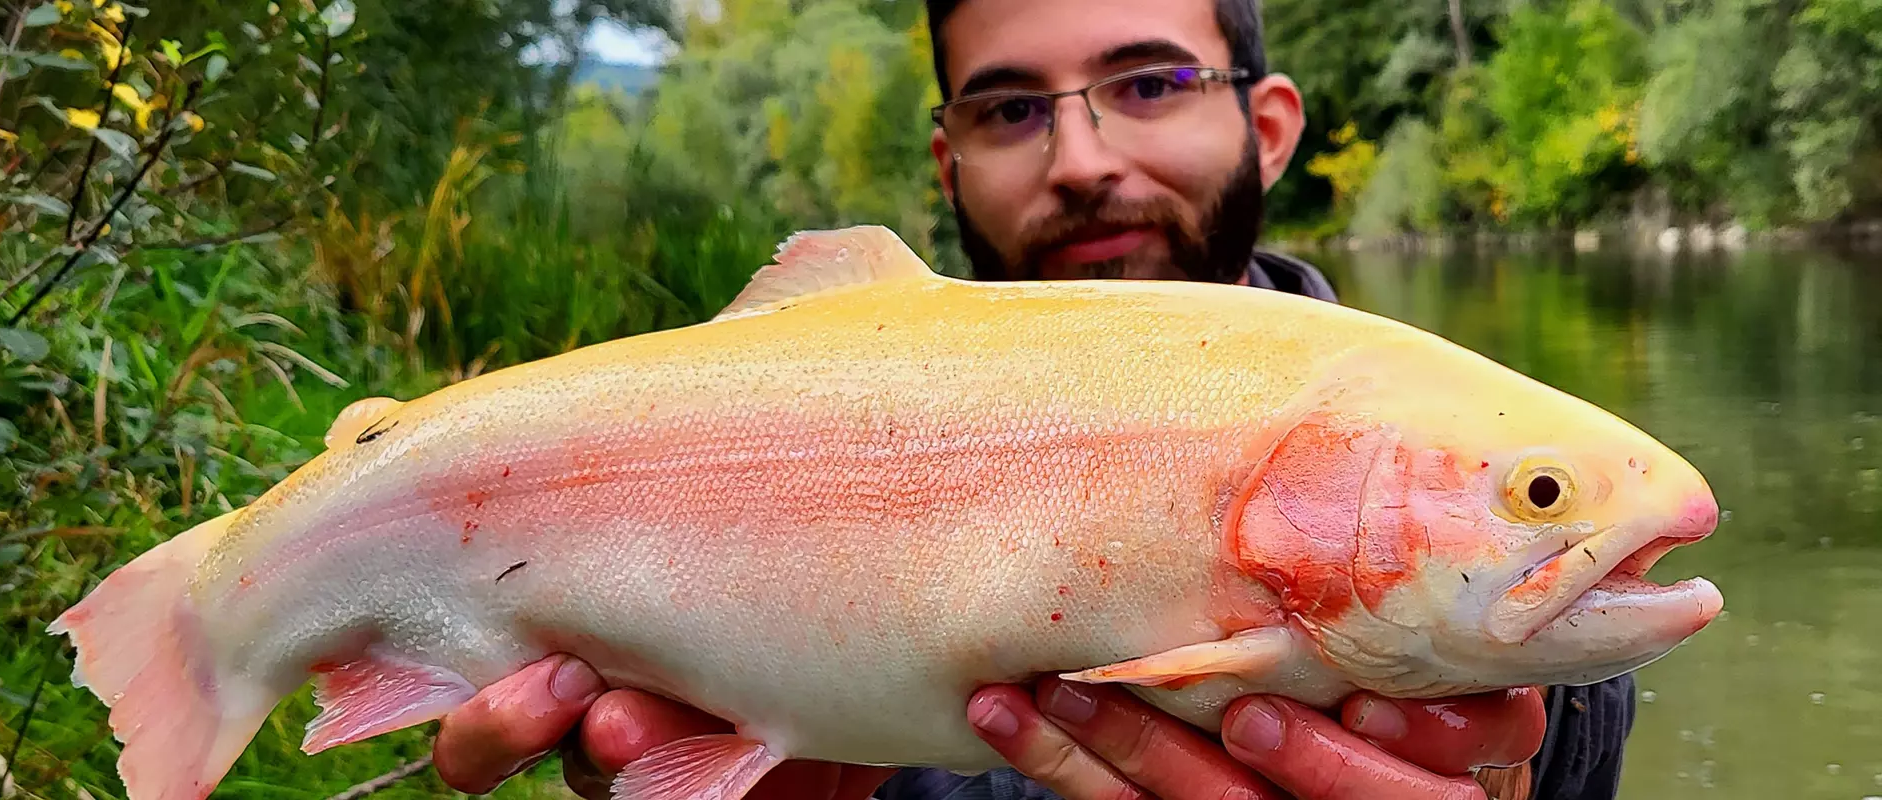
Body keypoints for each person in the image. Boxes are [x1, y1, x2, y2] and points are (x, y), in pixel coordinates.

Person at [427, 0, 1639, 797]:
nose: (1081, 159)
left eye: (1151, 83)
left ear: (1266, 130)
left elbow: (1579, 701)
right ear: (947, 164)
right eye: (1010, 110)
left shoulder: (1465, 448)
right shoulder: (811, 410)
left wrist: (1502, 773)